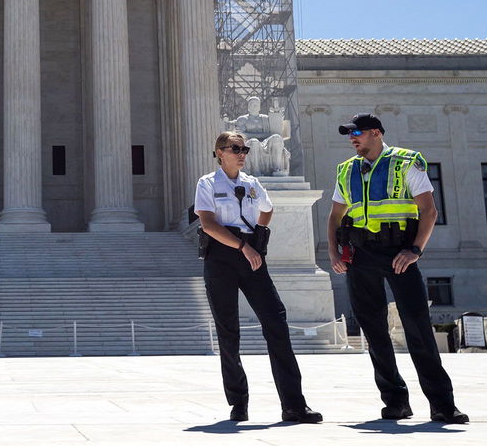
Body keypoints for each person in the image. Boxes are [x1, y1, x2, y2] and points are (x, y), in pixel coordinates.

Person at [326, 114, 469, 424]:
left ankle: (443, 405)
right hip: (360, 257)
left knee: (418, 327)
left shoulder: (407, 162)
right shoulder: (347, 169)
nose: (353, 140)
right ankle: (395, 402)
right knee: (374, 332)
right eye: (350, 135)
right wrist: (333, 251)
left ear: (376, 133)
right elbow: (335, 216)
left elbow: (429, 211)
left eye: (358, 133)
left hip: (398, 254)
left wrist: (415, 250)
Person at [194, 131, 322, 424]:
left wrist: (259, 237)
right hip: (221, 257)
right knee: (229, 331)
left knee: (276, 322)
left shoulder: (252, 184)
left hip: (251, 255)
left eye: (245, 149)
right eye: (236, 148)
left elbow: (267, 209)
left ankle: (294, 404)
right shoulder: (208, 183)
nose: (242, 153)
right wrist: (242, 246)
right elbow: (208, 223)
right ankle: (238, 403)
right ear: (220, 153)